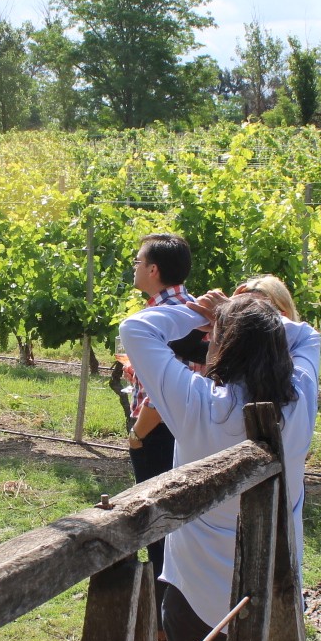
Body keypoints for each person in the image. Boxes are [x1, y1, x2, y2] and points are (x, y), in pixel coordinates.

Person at [119, 290, 321, 641]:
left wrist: (199, 311)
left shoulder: (198, 405)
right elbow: (309, 337)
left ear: (221, 347)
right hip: (278, 595)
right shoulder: (297, 402)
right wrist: (251, 316)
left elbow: (136, 330)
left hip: (195, 604)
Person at [124, 233, 194, 578]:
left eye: (137, 262)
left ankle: (164, 611)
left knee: (157, 516)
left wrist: (137, 434)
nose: (133, 268)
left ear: (153, 269)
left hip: (159, 432)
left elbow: (165, 391)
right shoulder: (192, 307)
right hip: (183, 428)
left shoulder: (164, 317)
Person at [234, 274, 300, 321]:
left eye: (260, 311)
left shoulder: (305, 339)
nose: (247, 316)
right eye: (243, 308)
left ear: (283, 315)